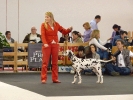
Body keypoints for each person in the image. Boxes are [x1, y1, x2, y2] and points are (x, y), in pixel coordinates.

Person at [41, 12, 72, 84]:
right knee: (45, 63)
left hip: (55, 45)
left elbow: (64, 31)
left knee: (55, 63)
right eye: (45, 17)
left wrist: (69, 29)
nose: (46, 18)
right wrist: (45, 43)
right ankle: (43, 78)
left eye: (47, 17)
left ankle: (55, 78)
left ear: (51, 17)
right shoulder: (43, 25)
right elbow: (43, 35)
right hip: (47, 45)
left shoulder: (56, 24)